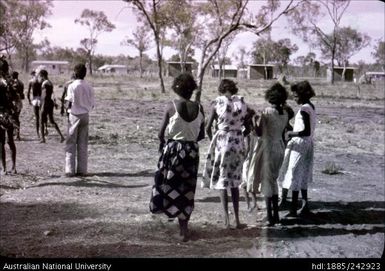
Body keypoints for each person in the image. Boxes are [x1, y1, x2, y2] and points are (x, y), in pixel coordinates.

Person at [156, 73, 205, 242]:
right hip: (191, 152)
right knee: (187, 189)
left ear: (176, 89)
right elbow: (201, 135)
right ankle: (184, 228)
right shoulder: (199, 108)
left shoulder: (171, 106)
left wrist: (166, 144)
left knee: (172, 185)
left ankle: (172, 214)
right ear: (192, 90)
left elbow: (160, 134)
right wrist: (188, 139)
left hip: (173, 150)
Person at [202, 79, 253, 229]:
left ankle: (226, 220)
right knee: (235, 182)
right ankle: (237, 220)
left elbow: (207, 128)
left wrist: (215, 140)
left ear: (221, 89)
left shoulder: (218, 103)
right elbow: (248, 127)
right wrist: (239, 135)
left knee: (223, 182)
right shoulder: (242, 104)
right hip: (237, 142)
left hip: (223, 142)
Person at [248, 82, 289, 226]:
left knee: (266, 182)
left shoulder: (267, 112)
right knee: (273, 181)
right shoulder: (285, 113)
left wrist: (253, 121)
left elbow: (259, 132)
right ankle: (276, 215)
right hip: (280, 147)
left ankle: (270, 217)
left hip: (268, 148)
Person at [277, 80, 316, 217]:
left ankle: (293, 209)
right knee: (302, 174)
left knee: (292, 173)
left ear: (303, 95)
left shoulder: (304, 109)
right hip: (308, 144)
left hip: (300, 144)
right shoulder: (310, 106)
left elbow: (305, 131)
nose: (294, 98)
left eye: (296, 96)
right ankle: (303, 205)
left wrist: (290, 133)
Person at [64, 64, 95, 177]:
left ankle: (70, 170)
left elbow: (69, 102)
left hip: (74, 115)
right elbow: (92, 105)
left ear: (75, 73)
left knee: (71, 143)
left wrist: (65, 108)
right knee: (83, 143)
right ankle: (82, 170)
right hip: (85, 115)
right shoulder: (89, 87)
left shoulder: (72, 86)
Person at [38, 70, 65, 143]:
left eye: (40, 76)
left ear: (42, 76)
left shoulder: (44, 83)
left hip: (45, 103)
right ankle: (61, 136)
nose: (39, 77)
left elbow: (44, 95)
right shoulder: (50, 82)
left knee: (41, 120)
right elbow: (52, 94)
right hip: (50, 102)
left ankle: (43, 138)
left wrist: (42, 103)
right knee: (51, 120)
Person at [0, 57, 17, 174]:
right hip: (10, 113)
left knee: (1, 141)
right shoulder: (11, 82)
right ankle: (14, 167)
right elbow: (16, 98)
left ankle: (4, 168)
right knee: (10, 141)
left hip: (1, 113)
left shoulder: (2, 82)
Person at [240, 110, 259, 212]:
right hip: (252, 160)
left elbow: (246, 149)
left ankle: (250, 204)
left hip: (246, 161)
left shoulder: (246, 134)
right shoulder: (255, 132)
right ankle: (254, 203)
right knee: (249, 183)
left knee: (245, 184)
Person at [27, 70, 44, 139]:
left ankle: (38, 133)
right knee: (42, 116)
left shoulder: (31, 81)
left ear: (32, 74)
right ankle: (44, 130)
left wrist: (29, 100)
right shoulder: (41, 81)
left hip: (34, 99)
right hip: (40, 99)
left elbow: (28, 93)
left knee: (37, 117)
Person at [10, 71, 25, 140]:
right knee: (16, 118)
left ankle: (16, 134)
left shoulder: (13, 83)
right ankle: (17, 134)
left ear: (12, 76)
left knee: (13, 118)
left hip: (13, 102)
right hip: (19, 102)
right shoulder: (21, 83)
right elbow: (22, 95)